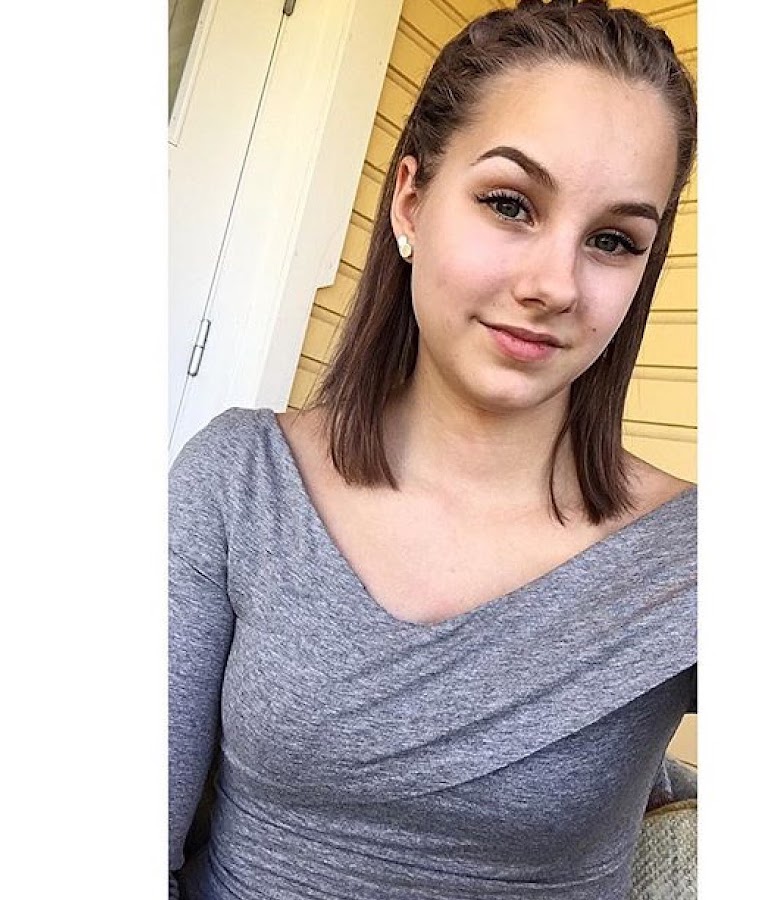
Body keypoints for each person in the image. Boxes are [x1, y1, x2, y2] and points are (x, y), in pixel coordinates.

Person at [168, 1, 698, 898]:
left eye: (613, 241)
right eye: (509, 204)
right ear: (410, 201)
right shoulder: (240, 483)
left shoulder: (690, 556)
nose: (554, 284)